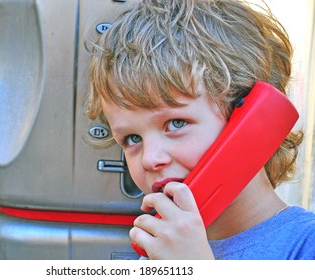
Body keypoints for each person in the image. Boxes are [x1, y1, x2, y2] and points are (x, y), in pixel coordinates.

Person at [84, 0, 315, 259]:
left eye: (176, 123)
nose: (150, 159)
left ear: (251, 121)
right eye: (132, 138)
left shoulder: (305, 247)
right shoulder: (160, 251)